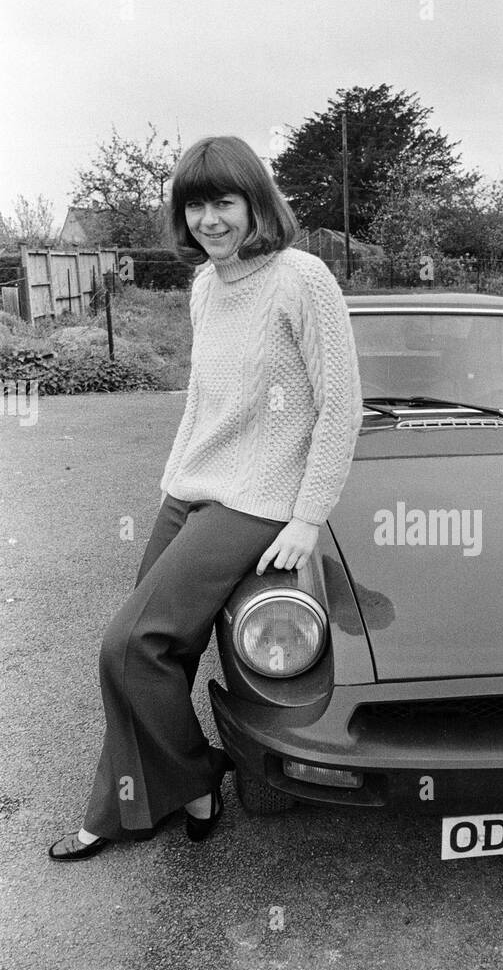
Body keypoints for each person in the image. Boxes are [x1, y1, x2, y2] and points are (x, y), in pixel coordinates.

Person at [49, 135, 362, 861]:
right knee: (159, 654)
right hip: (192, 489)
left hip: (256, 498)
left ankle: (196, 774)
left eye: (224, 200)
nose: (209, 219)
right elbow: (204, 400)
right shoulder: (204, 286)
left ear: (256, 202)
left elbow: (339, 406)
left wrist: (309, 515)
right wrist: (174, 481)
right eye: (194, 205)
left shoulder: (300, 278)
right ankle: (128, 802)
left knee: (129, 646)